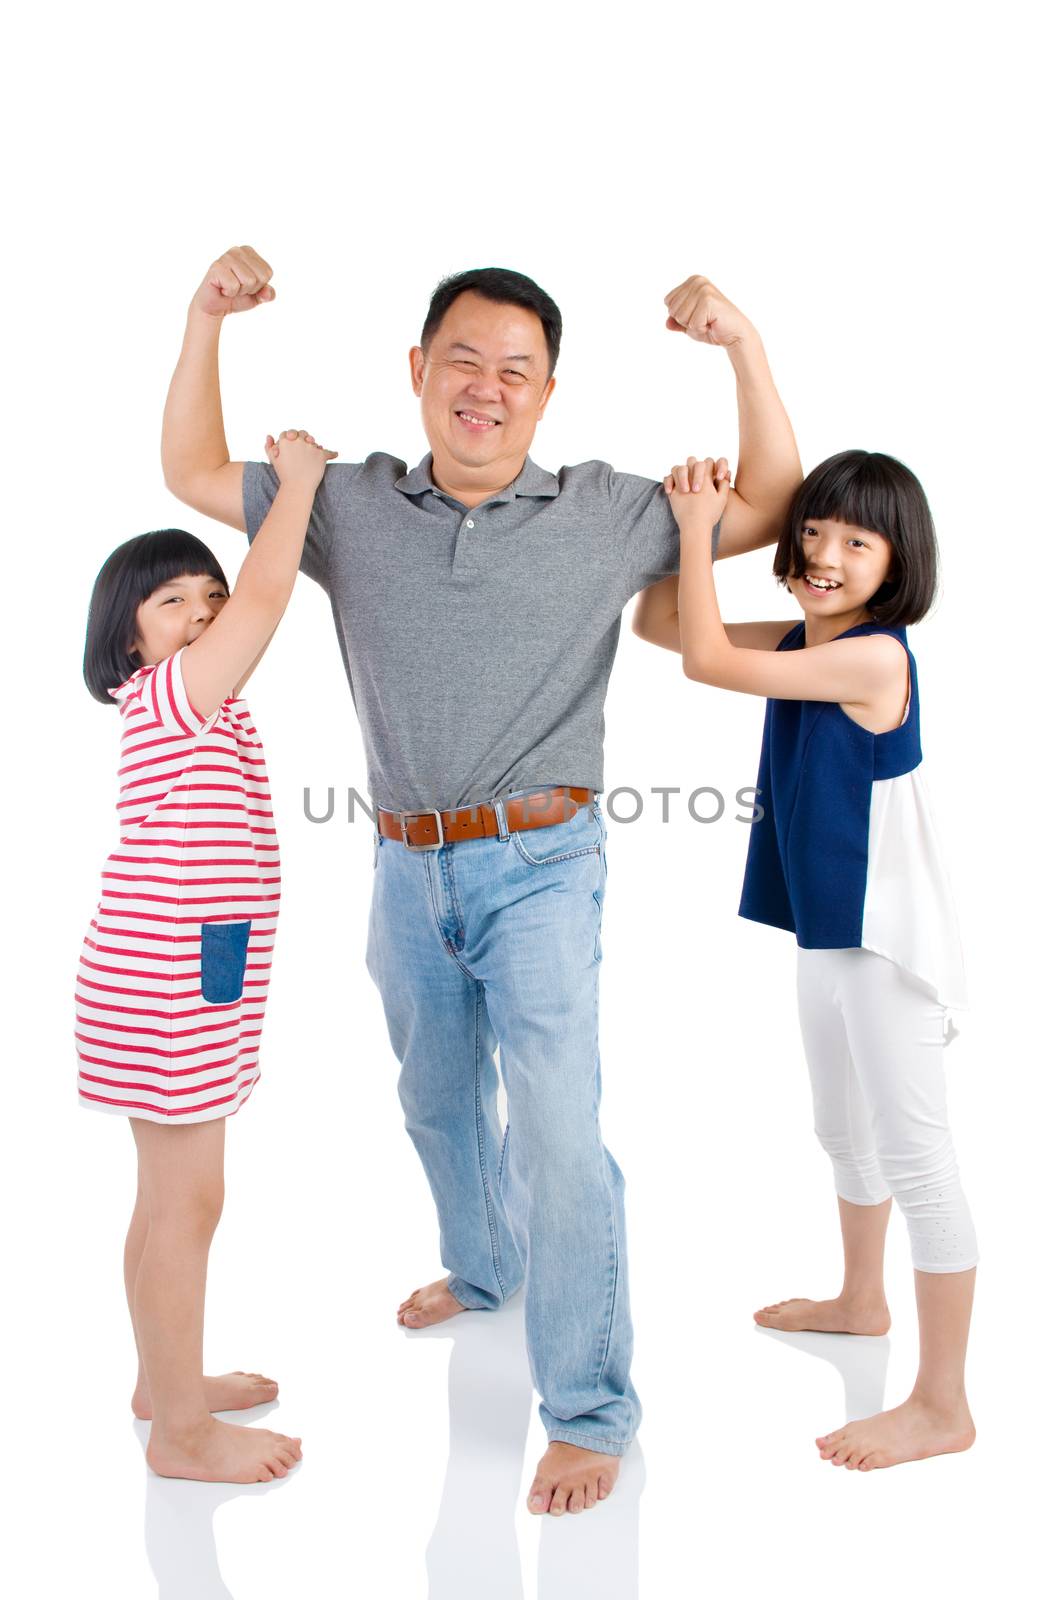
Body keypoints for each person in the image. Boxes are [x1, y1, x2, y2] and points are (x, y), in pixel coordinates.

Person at [160, 247, 802, 1515]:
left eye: (517, 371)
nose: (486, 388)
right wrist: (202, 322)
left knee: (560, 1130)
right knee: (438, 1102)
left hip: (543, 864)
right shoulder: (342, 504)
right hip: (402, 862)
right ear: (417, 372)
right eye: (463, 360)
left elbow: (771, 501)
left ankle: (591, 1408)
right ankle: (485, 1268)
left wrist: (743, 345)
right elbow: (187, 468)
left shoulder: (606, 511)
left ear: (547, 395)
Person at [632, 449, 978, 1471]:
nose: (825, 554)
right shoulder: (804, 636)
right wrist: (678, 532)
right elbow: (663, 626)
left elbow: (704, 659)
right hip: (829, 926)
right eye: (813, 531)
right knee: (840, 1127)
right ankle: (860, 1298)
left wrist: (699, 530)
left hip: (886, 941)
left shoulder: (873, 657)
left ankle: (942, 1403)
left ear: (896, 560)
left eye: (855, 541)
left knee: (920, 1158)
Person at [78, 428, 334, 1482]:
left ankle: (160, 1380)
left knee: (168, 1198)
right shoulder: (177, 693)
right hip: (167, 978)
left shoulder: (199, 707)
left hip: (184, 970)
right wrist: (301, 489)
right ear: (132, 640)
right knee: (189, 1202)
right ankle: (182, 1431)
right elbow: (270, 602)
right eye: (171, 601)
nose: (204, 611)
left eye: (206, 593)